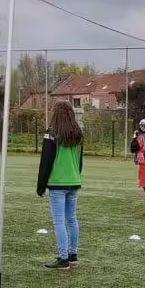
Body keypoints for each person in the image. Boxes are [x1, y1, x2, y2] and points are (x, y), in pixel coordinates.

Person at [37, 100, 83, 269]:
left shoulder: (51, 133)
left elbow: (46, 162)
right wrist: (76, 176)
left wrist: (41, 185)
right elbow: (80, 161)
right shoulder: (78, 134)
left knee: (59, 221)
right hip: (74, 181)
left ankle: (63, 259)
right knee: (71, 219)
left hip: (57, 183)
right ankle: (72, 253)